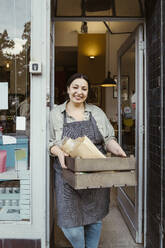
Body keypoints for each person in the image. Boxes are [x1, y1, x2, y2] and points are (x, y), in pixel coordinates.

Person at [49, 73, 126, 248]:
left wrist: (118, 151)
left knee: (94, 219)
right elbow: (50, 142)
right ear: (68, 89)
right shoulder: (56, 114)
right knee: (71, 224)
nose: (79, 92)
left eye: (84, 88)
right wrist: (58, 152)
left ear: (88, 91)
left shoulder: (96, 112)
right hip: (67, 176)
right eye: (75, 87)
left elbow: (108, 139)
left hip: (94, 175)